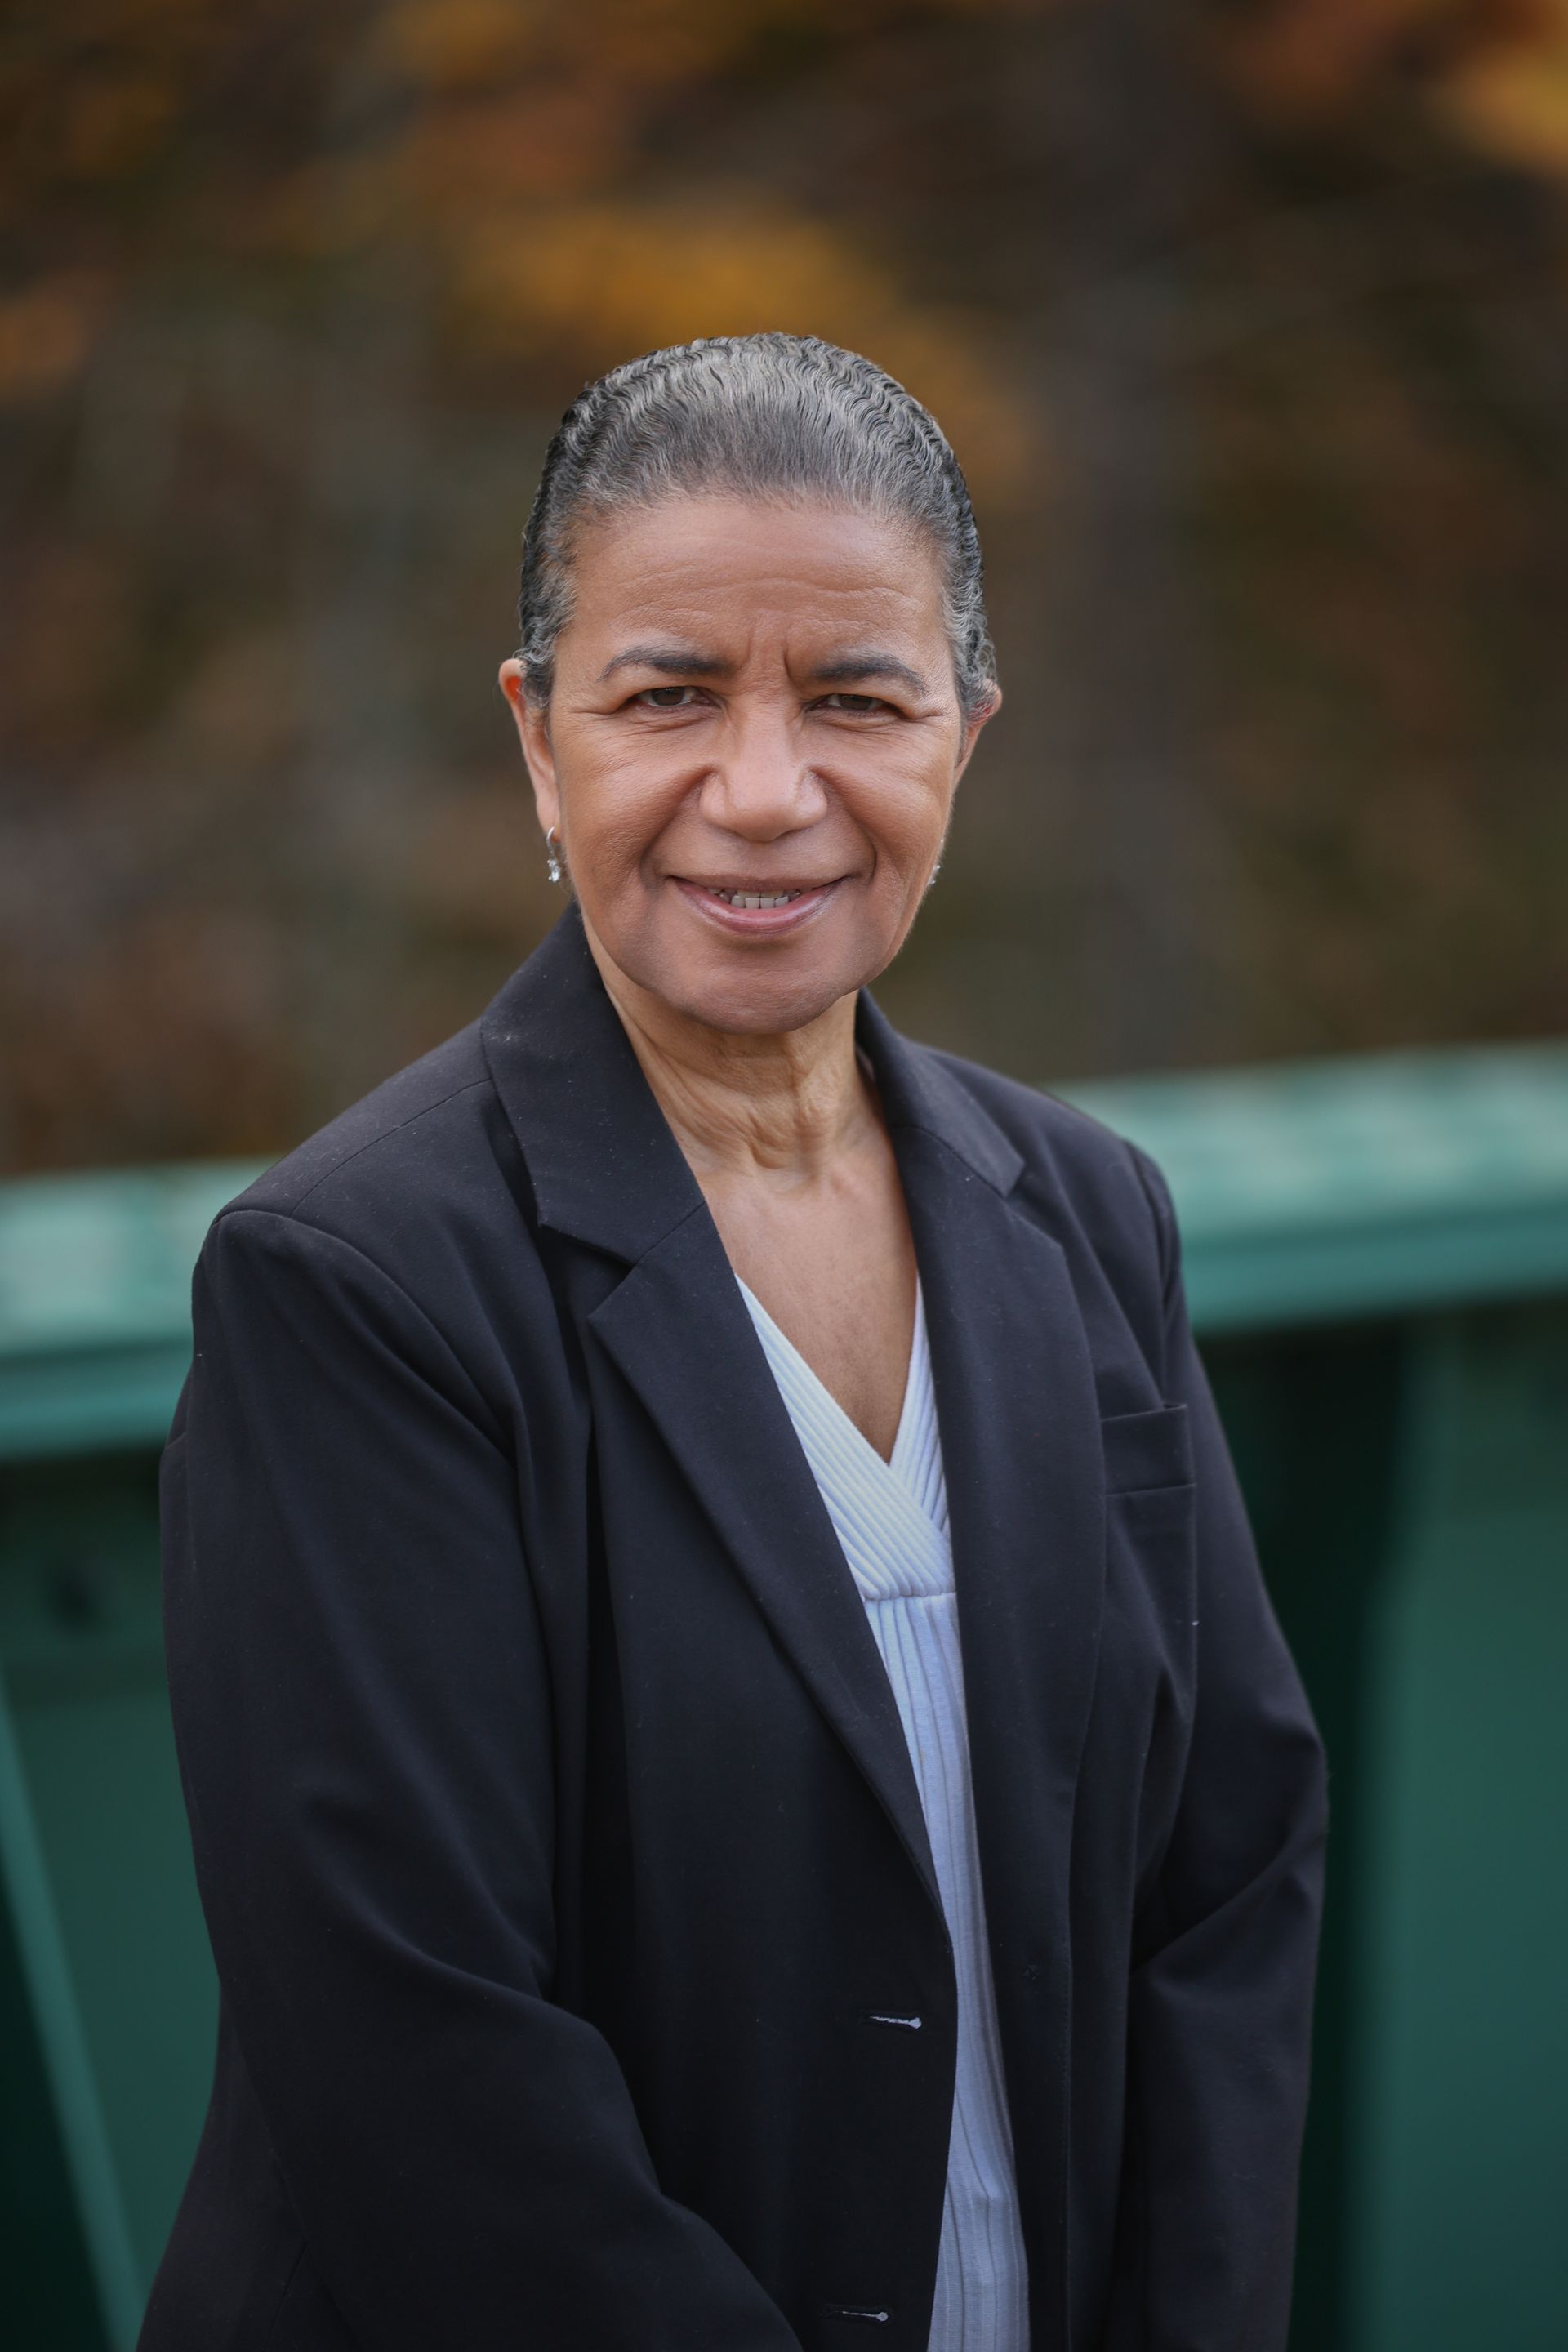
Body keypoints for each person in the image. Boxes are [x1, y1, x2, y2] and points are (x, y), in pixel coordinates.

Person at [141, 334, 1325, 2352]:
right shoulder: (358, 1282)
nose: (764, 793)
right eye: (668, 694)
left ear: (968, 732)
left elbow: (1232, 1872)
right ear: (539, 737)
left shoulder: (1086, 1215)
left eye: (859, 701)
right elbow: (415, 2040)